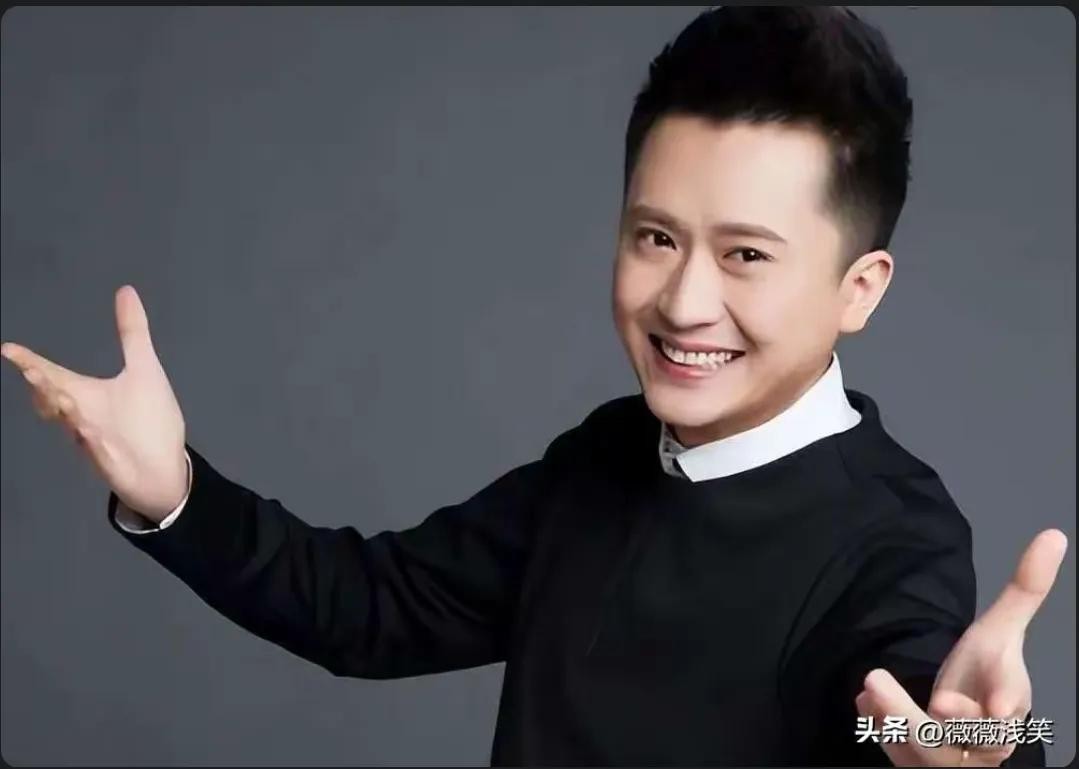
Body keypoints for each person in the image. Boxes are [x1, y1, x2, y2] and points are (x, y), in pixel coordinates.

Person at [0, 7, 1067, 767]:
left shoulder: (895, 534)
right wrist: (170, 488)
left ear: (857, 289)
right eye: (654, 237)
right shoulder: (602, 459)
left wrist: (994, 746)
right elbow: (368, 609)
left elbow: (916, 716)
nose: (683, 300)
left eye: (745, 255)